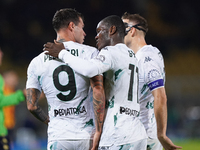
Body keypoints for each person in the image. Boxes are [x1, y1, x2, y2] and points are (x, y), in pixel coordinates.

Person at [44, 15, 147, 150]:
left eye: (100, 31)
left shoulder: (110, 52)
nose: (96, 36)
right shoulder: (131, 55)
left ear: (112, 30)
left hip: (118, 134)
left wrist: (62, 53)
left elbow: (89, 69)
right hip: (137, 133)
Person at [26, 8, 105, 150]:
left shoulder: (37, 62)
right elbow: (98, 91)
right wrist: (99, 130)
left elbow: (32, 105)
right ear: (71, 26)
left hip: (58, 136)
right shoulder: (91, 53)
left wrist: (50, 121)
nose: (84, 33)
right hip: (86, 135)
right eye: (82, 27)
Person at [121, 12, 182, 150]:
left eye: (122, 27)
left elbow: (160, 96)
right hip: (134, 133)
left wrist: (161, 135)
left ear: (132, 30)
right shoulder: (135, 57)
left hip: (145, 135)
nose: (118, 32)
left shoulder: (147, 56)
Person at [0, 48, 26, 150]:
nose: (2, 53)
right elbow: (1, 101)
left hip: (7, 126)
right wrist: (22, 95)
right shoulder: (3, 83)